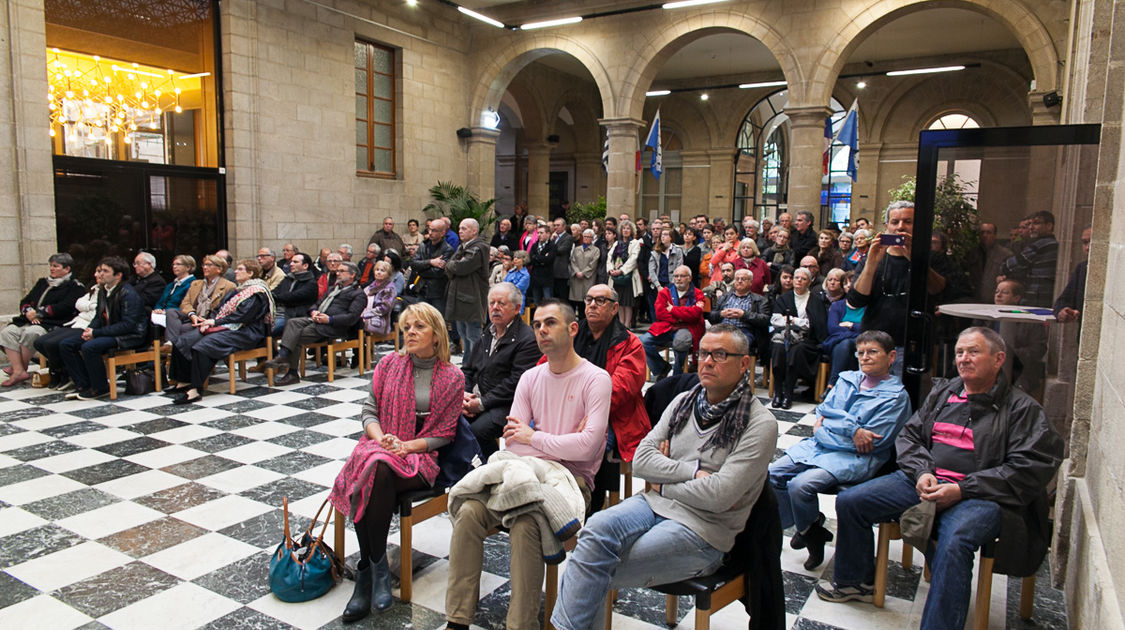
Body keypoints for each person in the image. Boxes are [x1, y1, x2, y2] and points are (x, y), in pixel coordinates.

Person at [817, 327, 1063, 630]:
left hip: (981, 495)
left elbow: (1030, 467)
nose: (963, 358)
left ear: (999, 359)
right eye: (960, 352)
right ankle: (855, 582)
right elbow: (910, 435)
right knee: (852, 500)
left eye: (973, 352)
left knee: (954, 539)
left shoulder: (1022, 409)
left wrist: (962, 488)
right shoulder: (945, 392)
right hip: (925, 482)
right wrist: (921, 472)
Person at [551, 324, 778, 630]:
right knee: (594, 530)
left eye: (720, 354)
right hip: (651, 504)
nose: (708, 361)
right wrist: (691, 472)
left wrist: (663, 480)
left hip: (704, 530)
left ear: (743, 363)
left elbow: (720, 495)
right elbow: (642, 460)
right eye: (704, 353)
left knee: (591, 565)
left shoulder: (759, 424)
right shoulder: (683, 401)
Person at [444, 300, 611, 630]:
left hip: (570, 481)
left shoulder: (596, 379)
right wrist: (552, 440)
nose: (542, 331)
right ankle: (457, 619)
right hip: (520, 472)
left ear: (572, 329)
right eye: (536, 325)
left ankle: (520, 625)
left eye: (550, 323)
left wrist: (534, 436)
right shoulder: (531, 378)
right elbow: (513, 440)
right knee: (468, 514)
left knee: (525, 525)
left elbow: (588, 446)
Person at [329, 302, 465, 622]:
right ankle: (373, 572)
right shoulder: (389, 364)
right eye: (406, 328)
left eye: (419, 327)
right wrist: (382, 440)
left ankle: (367, 575)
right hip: (381, 445)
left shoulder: (452, 376)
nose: (410, 333)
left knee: (374, 470)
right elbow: (368, 412)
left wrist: (406, 446)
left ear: (436, 334)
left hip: (421, 457)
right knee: (375, 468)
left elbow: (444, 434)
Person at [769, 330, 912, 570]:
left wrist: (828, 427)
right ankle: (810, 529)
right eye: (861, 353)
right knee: (772, 474)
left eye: (873, 352)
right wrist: (853, 429)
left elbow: (873, 443)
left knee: (800, 485)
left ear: (891, 356)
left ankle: (805, 532)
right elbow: (823, 410)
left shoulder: (897, 398)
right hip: (817, 447)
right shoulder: (847, 379)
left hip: (855, 457)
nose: (865, 357)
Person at [572, 283, 649, 514]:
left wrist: (587, 413)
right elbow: (546, 368)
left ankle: (588, 506)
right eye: (588, 300)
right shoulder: (571, 334)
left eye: (600, 300)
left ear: (615, 308)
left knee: (589, 444)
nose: (592, 304)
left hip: (616, 418)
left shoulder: (629, 343)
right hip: (571, 409)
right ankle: (557, 497)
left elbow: (621, 389)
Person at [847, 201, 949, 374]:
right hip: (876, 345)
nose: (901, 227)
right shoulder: (871, 259)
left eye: (908, 222)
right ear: (887, 227)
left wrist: (914, 258)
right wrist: (871, 264)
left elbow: (938, 290)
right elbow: (856, 300)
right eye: (895, 222)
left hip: (913, 344)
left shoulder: (933, 259)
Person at [166, 259, 274, 404]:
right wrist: (207, 322)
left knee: (204, 346)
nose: (235, 271)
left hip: (245, 332)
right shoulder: (237, 291)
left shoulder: (257, 292)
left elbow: (243, 316)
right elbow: (218, 309)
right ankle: (183, 381)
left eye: (240, 269)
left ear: (250, 273)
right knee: (183, 340)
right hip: (225, 327)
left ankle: (195, 390)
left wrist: (215, 322)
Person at [461, 283, 541, 461]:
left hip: (508, 404)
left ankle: (493, 469)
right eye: (491, 303)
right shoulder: (488, 332)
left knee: (476, 431)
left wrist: (481, 403)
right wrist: (464, 395)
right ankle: (463, 473)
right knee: (450, 422)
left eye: (501, 303)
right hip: (477, 398)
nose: (495, 308)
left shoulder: (527, 340)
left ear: (517, 308)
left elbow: (515, 383)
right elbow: (467, 368)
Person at [59, 256, 147, 400]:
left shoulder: (128, 293)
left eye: (105, 271)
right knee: (66, 344)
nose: (100, 274)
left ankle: (100, 388)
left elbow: (128, 325)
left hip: (129, 335)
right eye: (100, 270)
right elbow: (99, 317)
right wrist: (89, 330)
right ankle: (83, 385)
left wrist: (96, 333)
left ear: (118, 275)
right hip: (109, 332)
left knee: (90, 347)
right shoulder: (103, 290)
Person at [265, 261, 367, 386]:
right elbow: (316, 304)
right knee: (292, 323)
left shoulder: (358, 294)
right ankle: (283, 355)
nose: (337, 273)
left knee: (295, 337)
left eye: (341, 271)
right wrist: (314, 312)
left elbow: (351, 317)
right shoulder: (333, 289)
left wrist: (329, 319)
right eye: (338, 271)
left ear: (352, 275)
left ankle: (291, 372)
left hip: (334, 326)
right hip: (318, 319)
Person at [1, 253, 85, 386]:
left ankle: (18, 370)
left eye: (56, 266)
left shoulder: (75, 287)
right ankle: (19, 370)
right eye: (51, 266)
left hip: (53, 323)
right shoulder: (42, 282)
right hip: (28, 320)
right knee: (8, 332)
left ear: (67, 269)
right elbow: (26, 300)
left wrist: (39, 313)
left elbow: (66, 307)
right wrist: (28, 311)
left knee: (31, 333)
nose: (52, 269)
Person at [770, 267, 829, 409]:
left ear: (809, 282)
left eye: (803, 279)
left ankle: (789, 394)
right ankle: (778, 392)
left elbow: (815, 324)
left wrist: (793, 321)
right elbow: (775, 320)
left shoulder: (816, 300)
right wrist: (798, 322)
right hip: (784, 336)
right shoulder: (785, 298)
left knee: (796, 351)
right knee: (777, 349)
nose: (799, 281)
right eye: (797, 278)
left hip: (807, 341)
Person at [433, 218, 490, 357]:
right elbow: (452, 265)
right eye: (459, 228)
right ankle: (467, 362)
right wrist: (452, 264)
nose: (460, 231)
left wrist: (451, 265)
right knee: (463, 333)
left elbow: (461, 267)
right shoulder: (463, 246)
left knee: (473, 334)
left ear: (474, 231)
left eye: (464, 228)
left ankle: (476, 363)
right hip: (459, 297)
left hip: (472, 297)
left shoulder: (479, 247)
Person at [34, 279, 100, 392]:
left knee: (54, 344)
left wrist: (87, 306)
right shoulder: (94, 288)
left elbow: (97, 310)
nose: (97, 275)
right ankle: (64, 369)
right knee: (39, 342)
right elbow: (78, 303)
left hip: (88, 325)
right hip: (77, 322)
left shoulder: (108, 292)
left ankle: (62, 373)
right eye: (98, 271)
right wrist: (90, 306)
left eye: (103, 271)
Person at [640, 265, 705, 380]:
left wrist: (674, 310)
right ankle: (662, 368)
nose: (678, 279)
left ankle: (677, 375)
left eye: (682, 276)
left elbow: (695, 315)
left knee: (681, 342)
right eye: (676, 276)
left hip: (687, 328)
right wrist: (683, 315)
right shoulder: (665, 292)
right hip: (666, 327)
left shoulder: (697, 293)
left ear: (689, 278)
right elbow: (660, 314)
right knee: (642, 342)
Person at [165, 255, 237, 348]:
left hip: (209, 319)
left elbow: (226, 309)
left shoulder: (229, 286)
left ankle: (173, 346)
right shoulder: (196, 283)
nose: (205, 267)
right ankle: (172, 343)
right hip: (193, 316)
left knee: (183, 328)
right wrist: (192, 314)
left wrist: (208, 320)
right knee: (171, 312)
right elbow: (185, 303)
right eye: (204, 265)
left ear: (219, 269)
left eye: (208, 265)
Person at [993, 280, 1047, 395]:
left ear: (1016, 298)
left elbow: (1038, 349)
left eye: (1005, 292)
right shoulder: (985, 318)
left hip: (1020, 370)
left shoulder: (1030, 321)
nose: (998, 295)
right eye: (997, 291)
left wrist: (1011, 355)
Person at [997, 210, 1058, 307]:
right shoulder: (1048, 243)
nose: (1031, 227)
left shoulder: (1041, 244)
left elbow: (1012, 265)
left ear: (1049, 226)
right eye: (1030, 224)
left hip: (1036, 297)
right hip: (1041, 295)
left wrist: (1005, 268)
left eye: (1036, 223)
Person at [707, 268, 770, 348]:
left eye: (743, 279)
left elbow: (765, 320)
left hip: (744, 331)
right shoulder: (724, 297)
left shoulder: (760, 300)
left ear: (750, 282)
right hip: (723, 329)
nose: (739, 281)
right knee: (708, 342)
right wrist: (721, 314)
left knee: (735, 345)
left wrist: (744, 314)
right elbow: (711, 316)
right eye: (737, 279)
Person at [407, 219, 454, 314]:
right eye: (429, 229)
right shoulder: (423, 245)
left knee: (437, 323)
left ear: (442, 233)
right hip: (422, 288)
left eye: (434, 230)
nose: (430, 233)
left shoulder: (447, 249)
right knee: (419, 319)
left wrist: (421, 270)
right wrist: (431, 262)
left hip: (437, 292)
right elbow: (413, 264)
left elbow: (438, 272)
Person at [269, 252, 317, 337]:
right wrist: (277, 297)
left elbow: (293, 297)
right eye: (291, 261)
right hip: (276, 313)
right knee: (257, 328)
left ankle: (274, 351)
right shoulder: (288, 278)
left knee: (267, 332)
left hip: (293, 317)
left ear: (305, 266)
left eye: (295, 262)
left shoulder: (311, 283)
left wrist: (278, 297)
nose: (291, 264)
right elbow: (274, 292)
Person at [1054, 225, 1092, 326]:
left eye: (1092, 242)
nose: (1088, 248)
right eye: (1085, 243)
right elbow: (1064, 299)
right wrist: (1062, 311)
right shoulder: (1082, 268)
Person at [607, 222, 643, 327]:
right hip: (616, 277)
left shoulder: (635, 243)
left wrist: (622, 270)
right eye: (624, 229)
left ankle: (627, 325)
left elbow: (633, 259)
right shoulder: (616, 243)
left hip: (628, 276)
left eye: (628, 228)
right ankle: (621, 323)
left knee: (628, 303)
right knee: (620, 302)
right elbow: (609, 257)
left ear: (631, 231)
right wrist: (610, 270)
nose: (626, 230)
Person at [966, 222, 1012, 303]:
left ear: (995, 235)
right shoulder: (972, 253)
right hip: (974, 297)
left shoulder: (1005, 254)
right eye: (982, 232)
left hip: (994, 297)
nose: (985, 235)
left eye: (988, 232)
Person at [151, 255, 195, 320]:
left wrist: (166, 312)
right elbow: (160, 302)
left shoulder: (193, 284)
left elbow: (187, 306)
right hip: (161, 316)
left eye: (178, 264)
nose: (174, 267)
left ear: (188, 267)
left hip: (178, 317)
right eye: (173, 264)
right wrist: (158, 309)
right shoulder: (170, 285)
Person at [360, 261, 398, 336]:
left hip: (379, 319)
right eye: (377, 270)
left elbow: (384, 308)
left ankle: (360, 346)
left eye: (382, 271)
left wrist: (365, 314)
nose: (379, 272)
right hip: (365, 315)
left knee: (356, 322)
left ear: (388, 274)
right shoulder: (371, 286)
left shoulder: (389, 289)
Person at [569, 228, 601, 317]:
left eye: (589, 237)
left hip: (588, 279)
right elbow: (573, 261)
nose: (586, 238)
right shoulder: (577, 249)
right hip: (576, 278)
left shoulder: (596, 250)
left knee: (586, 301)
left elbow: (593, 264)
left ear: (592, 238)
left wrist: (583, 273)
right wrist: (576, 272)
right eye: (585, 236)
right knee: (575, 301)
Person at [647, 228, 684, 295]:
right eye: (662, 235)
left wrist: (673, 285)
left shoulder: (678, 250)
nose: (663, 236)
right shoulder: (655, 252)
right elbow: (651, 270)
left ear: (671, 237)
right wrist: (658, 286)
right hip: (658, 284)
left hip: (673, 284)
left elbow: (679, 267)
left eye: (666, 234)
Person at [528, 224, 557, 306]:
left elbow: (548, 260)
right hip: (535, 278)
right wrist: (541, 258)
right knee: (536, 302)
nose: (539, 235)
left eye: (541, 233)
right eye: (538, 233)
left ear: (548, 234)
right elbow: (530, 259)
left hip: (546, 279)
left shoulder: (552, 246)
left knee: (548, 302)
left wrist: (537, 258)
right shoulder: (534, 246)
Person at [551, 217, 574, 303]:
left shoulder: (568, 238)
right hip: (552, 272)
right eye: (554, 225)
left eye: (558, 225)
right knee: (553, 298)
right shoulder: (553, 237)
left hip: (561, 272)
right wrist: (551, 240)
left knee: (562, 298)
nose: (555, 227)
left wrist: (551, 248)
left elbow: (561, 250)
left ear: (564, 227)